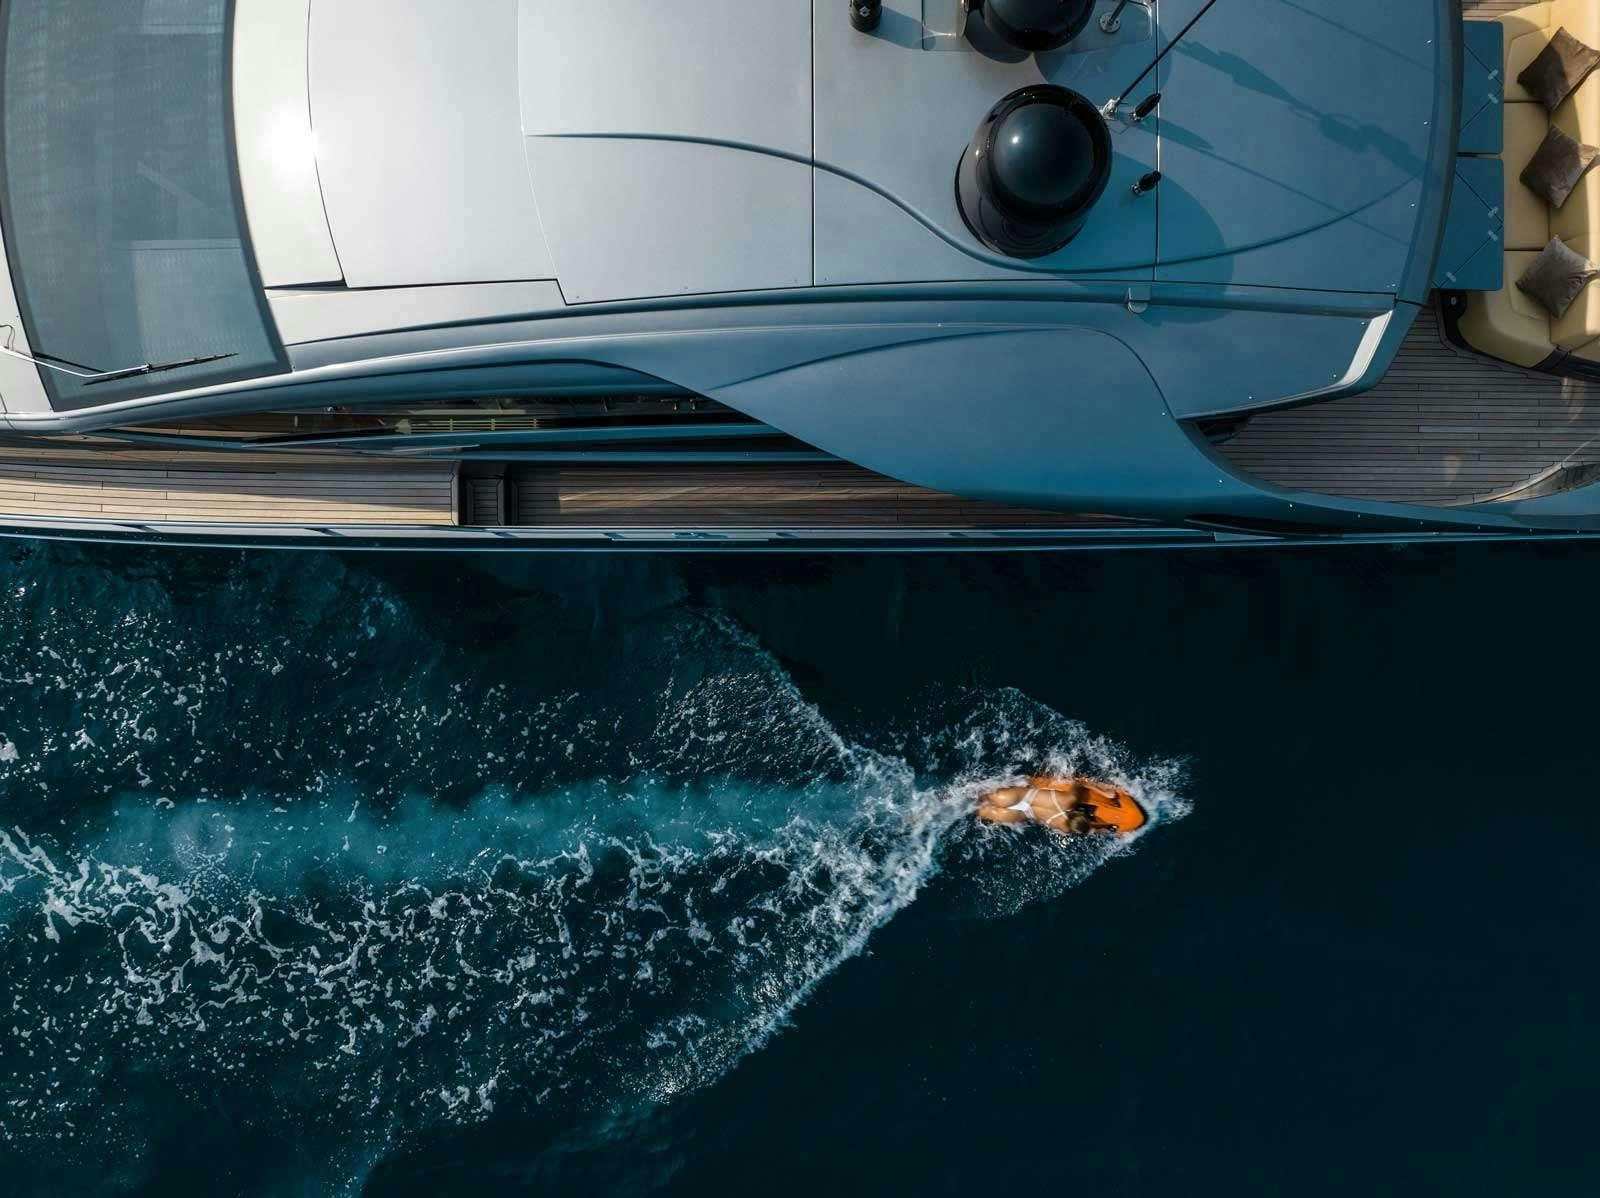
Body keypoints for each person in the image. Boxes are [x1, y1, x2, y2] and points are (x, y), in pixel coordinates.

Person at [975, 775, 1146, 836]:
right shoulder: (1066, 828)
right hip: (1015, 816)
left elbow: (1079, 784)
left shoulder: (1069, 800)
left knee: (969, 796)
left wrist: (1105, 792)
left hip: (1015, 795)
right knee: (972, 811)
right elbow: (1090, 829)